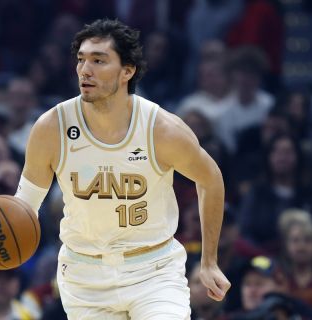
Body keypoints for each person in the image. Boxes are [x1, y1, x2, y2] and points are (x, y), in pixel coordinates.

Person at [14, 19, 230, 319]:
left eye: (98, 60)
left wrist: (209, 261)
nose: (85, 70)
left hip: (153, 272)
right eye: (81, 60)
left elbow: (211, 178)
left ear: (127, 71)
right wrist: (5, 237)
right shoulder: (52, 127)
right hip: (84, 275)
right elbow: (25, 206)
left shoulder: (161, 129)